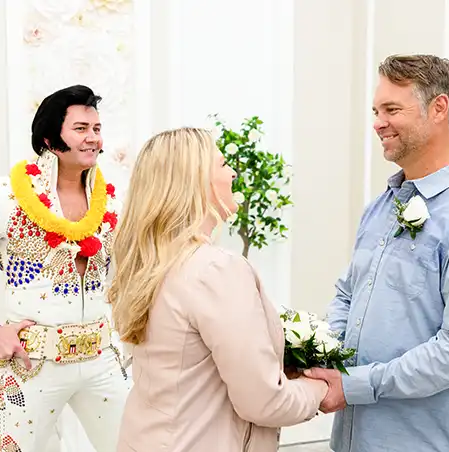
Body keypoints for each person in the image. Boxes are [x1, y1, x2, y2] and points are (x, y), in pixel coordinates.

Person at [109, 127, 328, 452]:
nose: (234, 173)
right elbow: (264, 402)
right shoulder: (216, 269)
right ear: (197, 182)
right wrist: (319, 389)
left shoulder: (147, 264)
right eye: (224, 164)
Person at [305, 54, 449, 452]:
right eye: (376, 111)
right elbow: (347, 295)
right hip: (351, 441)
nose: (378, 122)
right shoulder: (379, 208)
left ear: (439, 108)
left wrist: (355, 385)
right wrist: (323, 356)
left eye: (392, 110)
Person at [0, 85, 129, 452]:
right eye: (81, 128)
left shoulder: (110, 201)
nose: (93, 138)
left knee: (136, 445)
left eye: (97, 129)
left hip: (101, 359)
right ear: (50, 140)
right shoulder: (7, 197)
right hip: (31, 362)